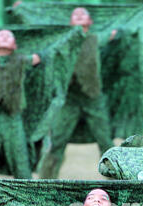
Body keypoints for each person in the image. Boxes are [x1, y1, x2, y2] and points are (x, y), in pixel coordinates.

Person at [39, 7, 114, 178]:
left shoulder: (96, 38)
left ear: (90, 22)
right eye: (75, 14)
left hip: (93, 97)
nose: (79, 15)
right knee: (56, 142)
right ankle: (45, 182)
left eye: (84, 14)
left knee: (106, 141)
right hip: (69, 98)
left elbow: (119, 29)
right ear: (70, 22)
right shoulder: (62, 41)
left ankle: (116, 182)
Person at [0, 30, 41, 200]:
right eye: (0, 35)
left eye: (9, 36)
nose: (4, 36)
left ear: (15, 45)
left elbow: (40, 55)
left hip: (13, 120)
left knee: (21, 166)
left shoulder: (21, 60)